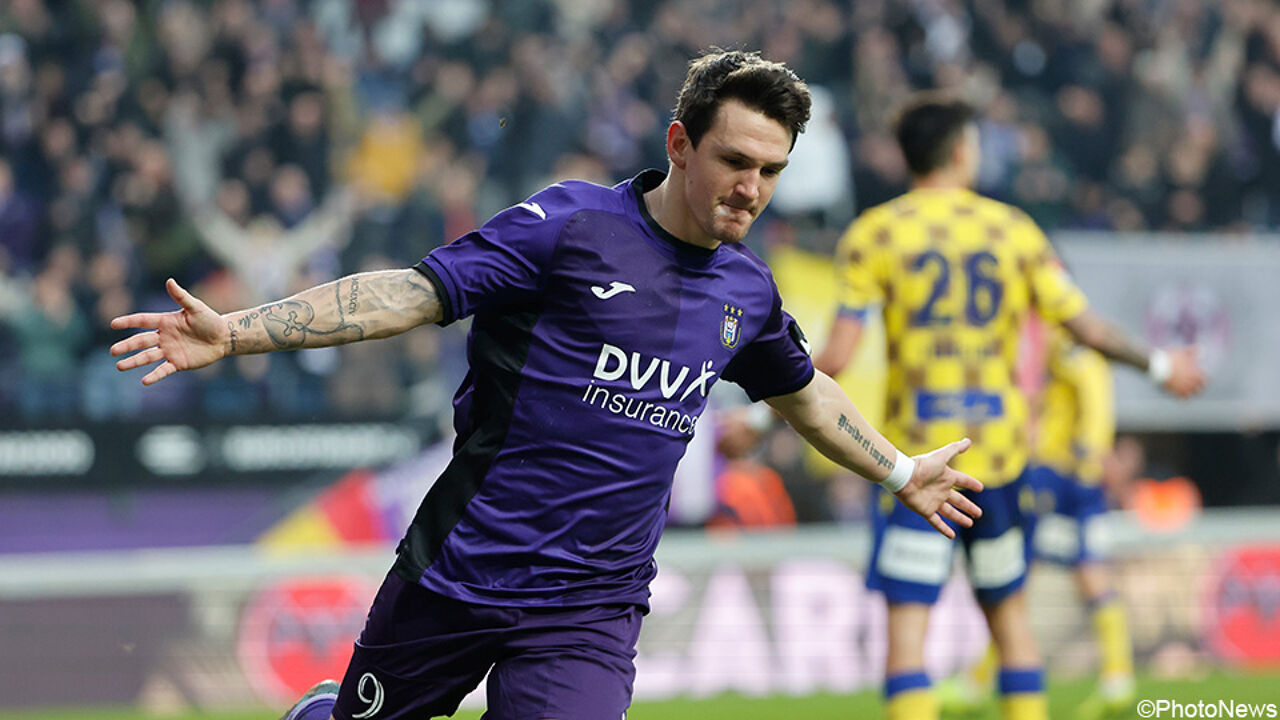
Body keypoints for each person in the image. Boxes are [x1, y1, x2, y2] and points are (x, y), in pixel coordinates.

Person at [111, 51, 985, 720]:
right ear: (679, 144)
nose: (751, 189)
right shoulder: (569, 228)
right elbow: (412, 296)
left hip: (591, 607)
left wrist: (902, 473)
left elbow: (808, 395)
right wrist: (237, 333)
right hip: (460, 574)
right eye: (735, 160)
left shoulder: (746, 290)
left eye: (772, 170)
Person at [813, 92, 1204, 720]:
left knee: (909, 632)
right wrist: (1160, 366)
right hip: (998, 461)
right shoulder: (1011, 229)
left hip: (919, 463)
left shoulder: (876, 232)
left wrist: (758, 411)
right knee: (1010, 619)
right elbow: (1087, 330)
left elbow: (834, 354)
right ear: (963, 150)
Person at [939, 326, 1136, 718]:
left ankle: (978, 681)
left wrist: (1087, 450)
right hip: (1077, 474)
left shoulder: (1065, 339)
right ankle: (1118, 677)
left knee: (1019, 574)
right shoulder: (1071, 340)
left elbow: (1091, 384)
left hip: (1060, 473)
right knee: (1084, 570)